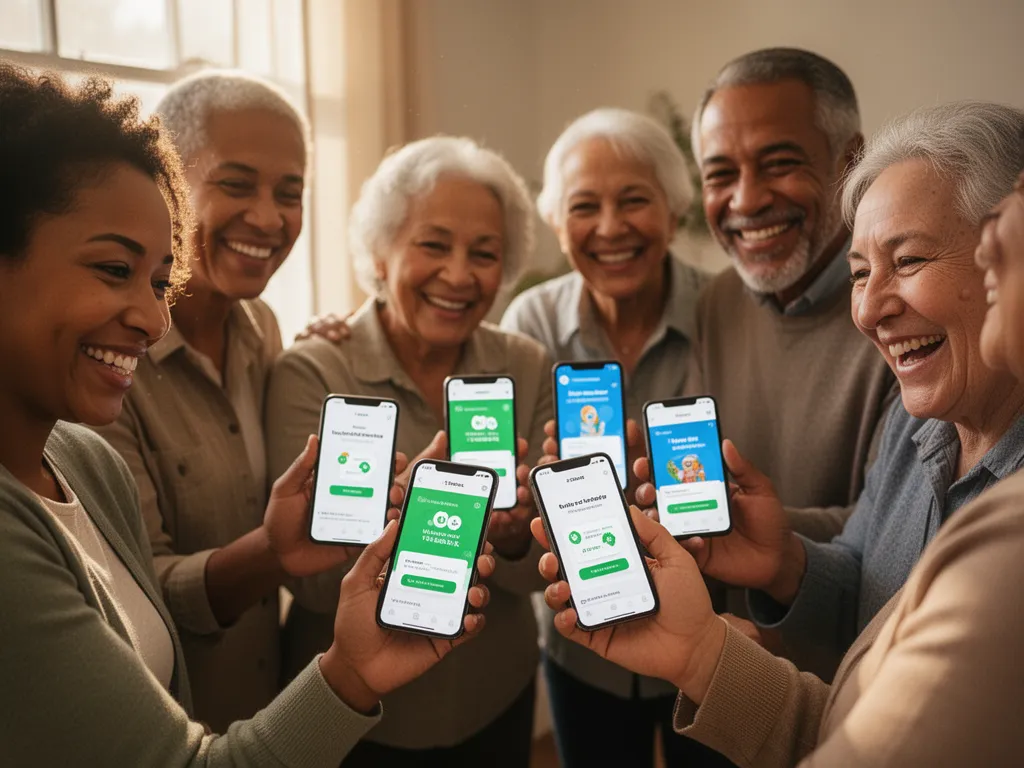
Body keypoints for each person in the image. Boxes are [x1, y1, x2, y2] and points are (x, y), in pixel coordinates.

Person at [0, 63, 494, 767]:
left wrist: (284, 553)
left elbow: (134, 611)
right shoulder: (94, 395)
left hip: (258, 707)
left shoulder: (95, 449)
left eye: (160, 280)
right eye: (114, 269)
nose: (149, 315)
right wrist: (272, 563)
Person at [532, 128, 1024, 768]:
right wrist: (781, 564)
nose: (869, 309)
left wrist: (706, 657)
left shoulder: (1007, 534)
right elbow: (868, 622)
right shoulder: (918, 423)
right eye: (859, 273)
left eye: (907, 262)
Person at [265, 136, 552, 766]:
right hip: (357, 720)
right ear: (379, 249)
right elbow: (310, 586)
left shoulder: (524, 362)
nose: (459, 274)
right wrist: (421, 518)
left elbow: (539, 569)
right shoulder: (312, 371)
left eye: (485, 253)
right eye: (432, 244)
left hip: (493, 693)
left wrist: (510, 538)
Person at [88, 69, 316, 729]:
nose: (270, 218)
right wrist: (272, 552)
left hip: (268, 709)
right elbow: (129, 591)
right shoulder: (108, 360)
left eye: (290, 192)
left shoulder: (265, 331)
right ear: (165, 181)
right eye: (236, 184)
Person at [499, 108, 725, 767]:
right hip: (581, 645)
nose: (610, 228)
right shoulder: (531, 319)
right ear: (554, 220)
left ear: (674, 207)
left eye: (634, 200)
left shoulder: (723, 310)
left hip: (706, 640)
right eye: (583, 206)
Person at [687, 48, 896, 542]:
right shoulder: (716, 302)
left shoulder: (900, 311)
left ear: (851, 162)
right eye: (720, 174)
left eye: (778, 164)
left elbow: (891, 532)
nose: (746, 200)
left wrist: (732, 529)